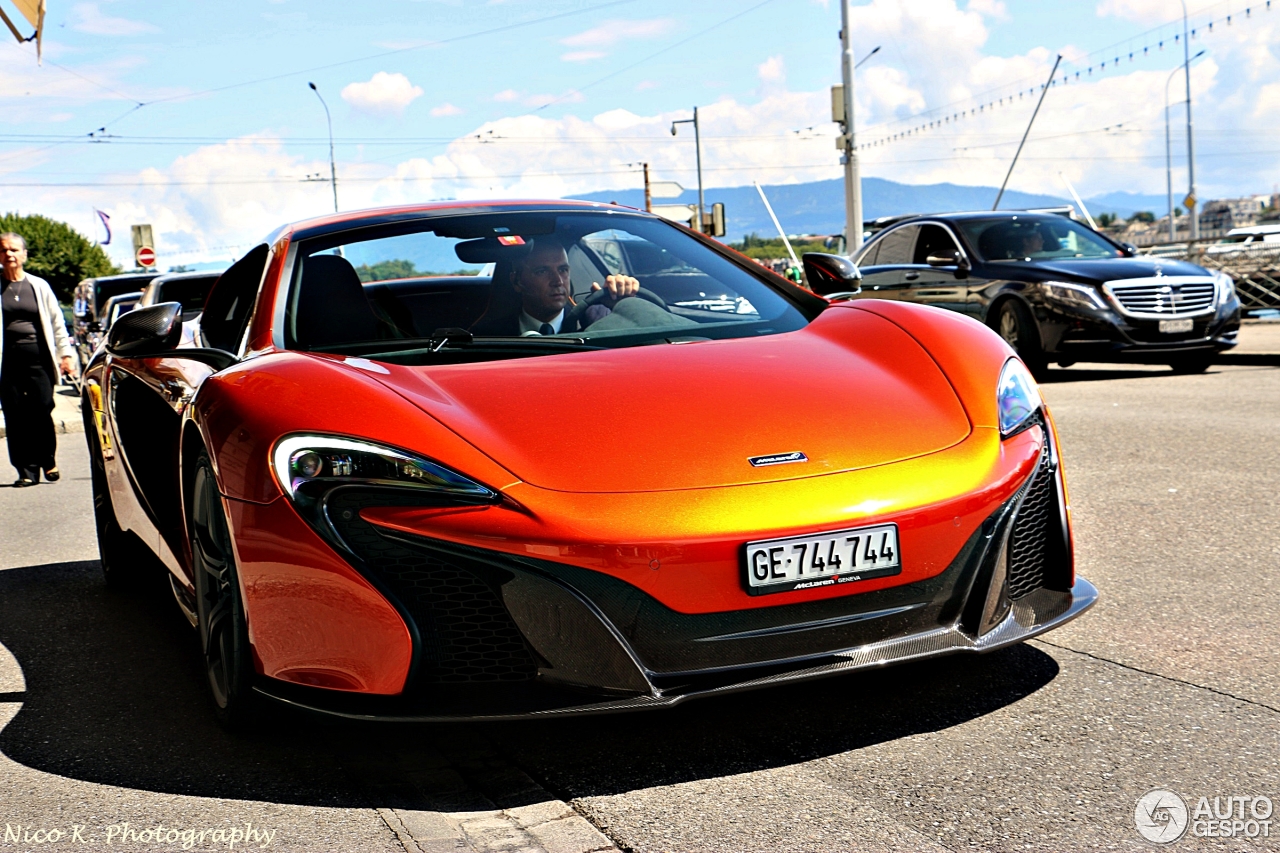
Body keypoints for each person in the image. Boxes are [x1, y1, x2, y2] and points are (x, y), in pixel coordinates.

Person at [0, 232, 76, 487]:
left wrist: (65, 354)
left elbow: (57, 323)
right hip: (7, 361)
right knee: (15, 414)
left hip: (39, 358)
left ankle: (48, 460)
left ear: (24, 254)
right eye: (4, 250)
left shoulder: (39, 286)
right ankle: (26, 470)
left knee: (42, 410)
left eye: (13, 250)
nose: (9, 254)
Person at [471, 237, 640, 336]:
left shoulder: (596, 321)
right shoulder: (490, 335)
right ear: (517, 282)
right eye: (542, 271)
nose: (558, 281)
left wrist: (626, 308)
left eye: (563, 270)